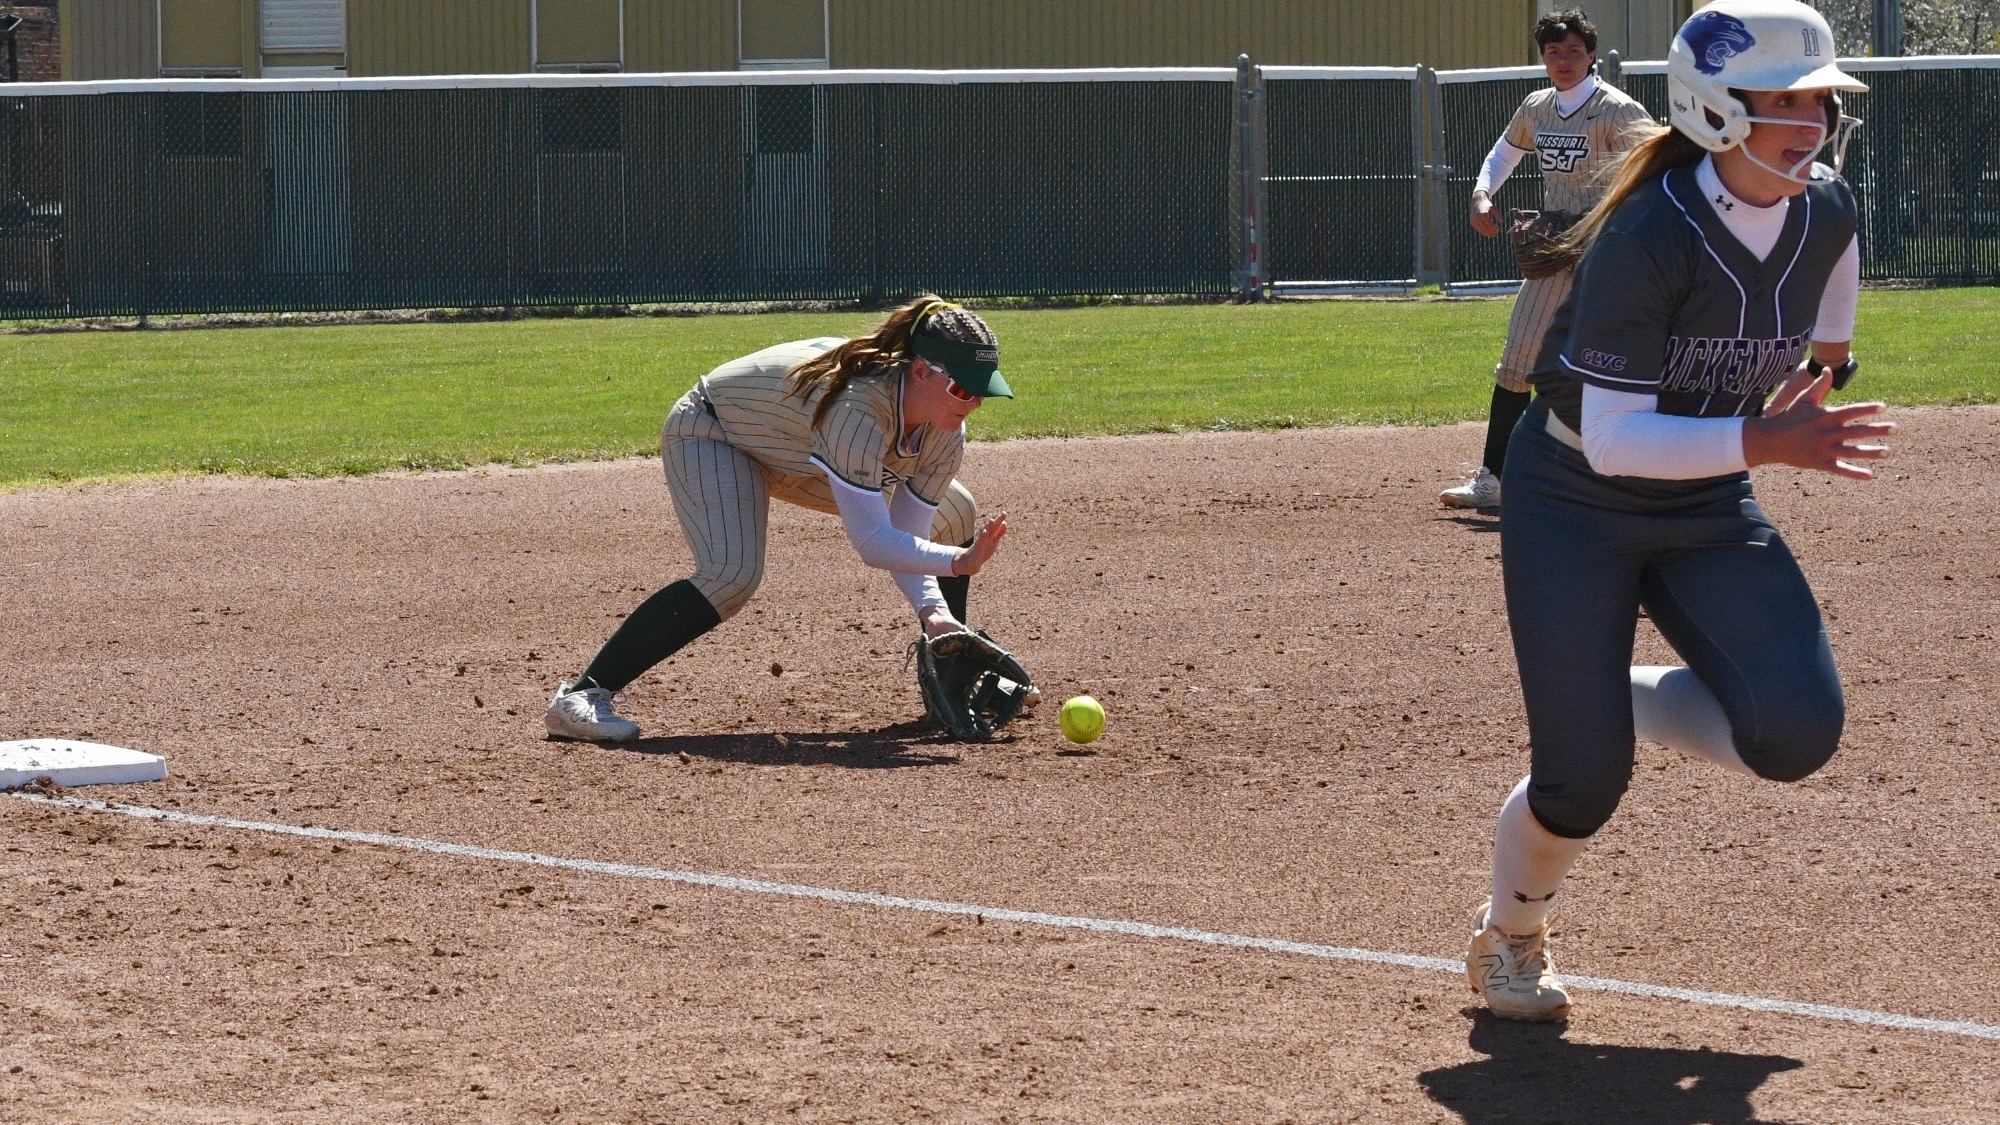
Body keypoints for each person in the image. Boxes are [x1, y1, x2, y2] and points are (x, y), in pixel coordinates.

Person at [1467, 0, 1890, 1021]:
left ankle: (1607, 688)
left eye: (1818, 102)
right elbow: (1612, 441)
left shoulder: (1823, 203)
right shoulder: (1648, 232)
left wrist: (1824, 367)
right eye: (1782, 101)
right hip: (1574, 497)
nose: (1809, 123)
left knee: (1795, 732)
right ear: (1711, 110)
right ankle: (1507, 938)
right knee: (1581, 784)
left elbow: (1829, 290)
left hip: (1701, 498)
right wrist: (1765, 439)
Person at [543, 295, 1021, 741]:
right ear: (920, 372)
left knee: (955, 512)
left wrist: (934, 614)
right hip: (717, 433)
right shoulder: (859, 408)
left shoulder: (944, 432)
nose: (974, 402)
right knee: (730, 573)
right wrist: (959, 563)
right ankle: (583, 696)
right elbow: (875, 542)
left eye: (985, 391)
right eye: (962, 389)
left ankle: (950, 669)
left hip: (796, 450)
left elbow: (908, 537)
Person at [1443, 9, 1653, 511]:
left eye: (1574, 51)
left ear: (1592, 55)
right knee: (1519, 362)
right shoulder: (1537, 106)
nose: (1563, 61)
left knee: (1614, 364)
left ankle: (1628, 478)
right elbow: (1504, 153)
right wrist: (1480, 194)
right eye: (1554, 52)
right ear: (1542, 57)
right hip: (1555, 248)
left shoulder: (1617, 109)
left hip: (1606, 247)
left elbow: (1656, 164)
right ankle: (1496, 478)